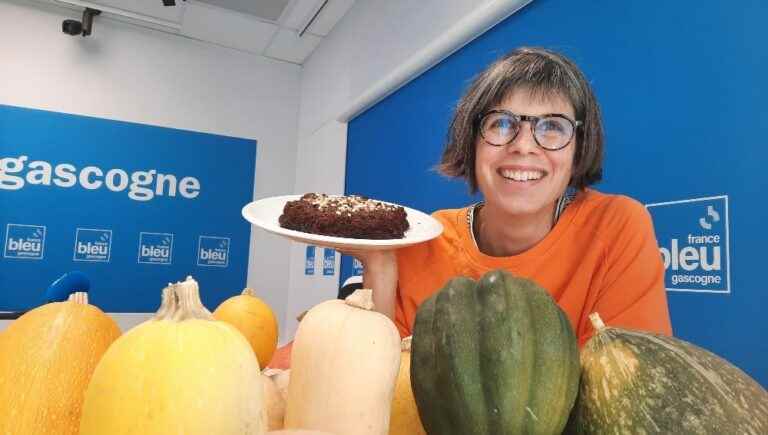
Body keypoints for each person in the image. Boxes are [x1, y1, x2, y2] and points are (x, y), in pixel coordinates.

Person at [350, 46, 672, 346]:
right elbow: (375, 382)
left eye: (552, 127)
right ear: (471, 141)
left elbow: (624, 384)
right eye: (502, 123)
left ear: (579, 149)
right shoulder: (425, 242)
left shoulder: (616, 228)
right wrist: (378, 266)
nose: (524, 145)